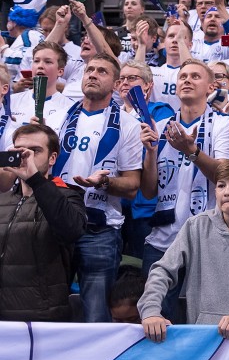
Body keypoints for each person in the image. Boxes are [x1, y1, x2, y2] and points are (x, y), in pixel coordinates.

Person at [139, 159, 229, 340]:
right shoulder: (196, 226)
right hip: (201, 338)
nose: (227, 191)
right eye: (221, 185)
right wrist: (151, 310)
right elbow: (162, 270)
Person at [140, 59, 229, 321]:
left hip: (208, 239)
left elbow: (225, 177)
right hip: (162, 240)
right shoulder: (161, 128)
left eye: (195, 76)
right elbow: (149, 192)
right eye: (183, 76)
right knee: (156, 317)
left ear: (210, 87)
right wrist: (150, 155)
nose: (187, 80)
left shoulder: (223, 124)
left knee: (207, 319)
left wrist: (191, 152)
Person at [53, 54, 143, 323]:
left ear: (116, 84)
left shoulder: (128, 125)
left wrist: (103, 182)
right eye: (89, 69)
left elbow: (132, 187)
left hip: (100, 229)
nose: (92, 74)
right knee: (52, 307)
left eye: (102, 71)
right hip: (56, 224)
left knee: (97, 314)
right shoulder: (57, 117)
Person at [0, 123, 87, 322]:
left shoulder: (68, 196)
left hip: (42, 316)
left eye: (34, 151)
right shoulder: (2, 200)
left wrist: (35, 180)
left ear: (52, 158)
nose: (26, 156)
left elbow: (72, 230)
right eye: (20, 151)